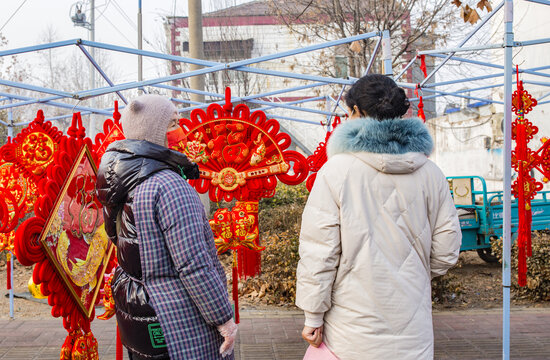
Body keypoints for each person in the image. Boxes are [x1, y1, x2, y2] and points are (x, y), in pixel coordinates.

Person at [295, 74, 461, 360]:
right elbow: (446, 250)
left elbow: (319, 252)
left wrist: (313, 315)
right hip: (413, 327)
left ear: (357, 112)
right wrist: (414, 271)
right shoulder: (431, 173)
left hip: (351, 329)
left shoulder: (336, 171)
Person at [96, 94, 237, 360]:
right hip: (177, 319)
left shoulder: (121, 181)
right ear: (154, 131)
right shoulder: (168, 185)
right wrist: (223, 318)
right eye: (172, 123)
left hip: (137, 310)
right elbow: (195, 265)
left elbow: (118, 239)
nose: (181, 130)